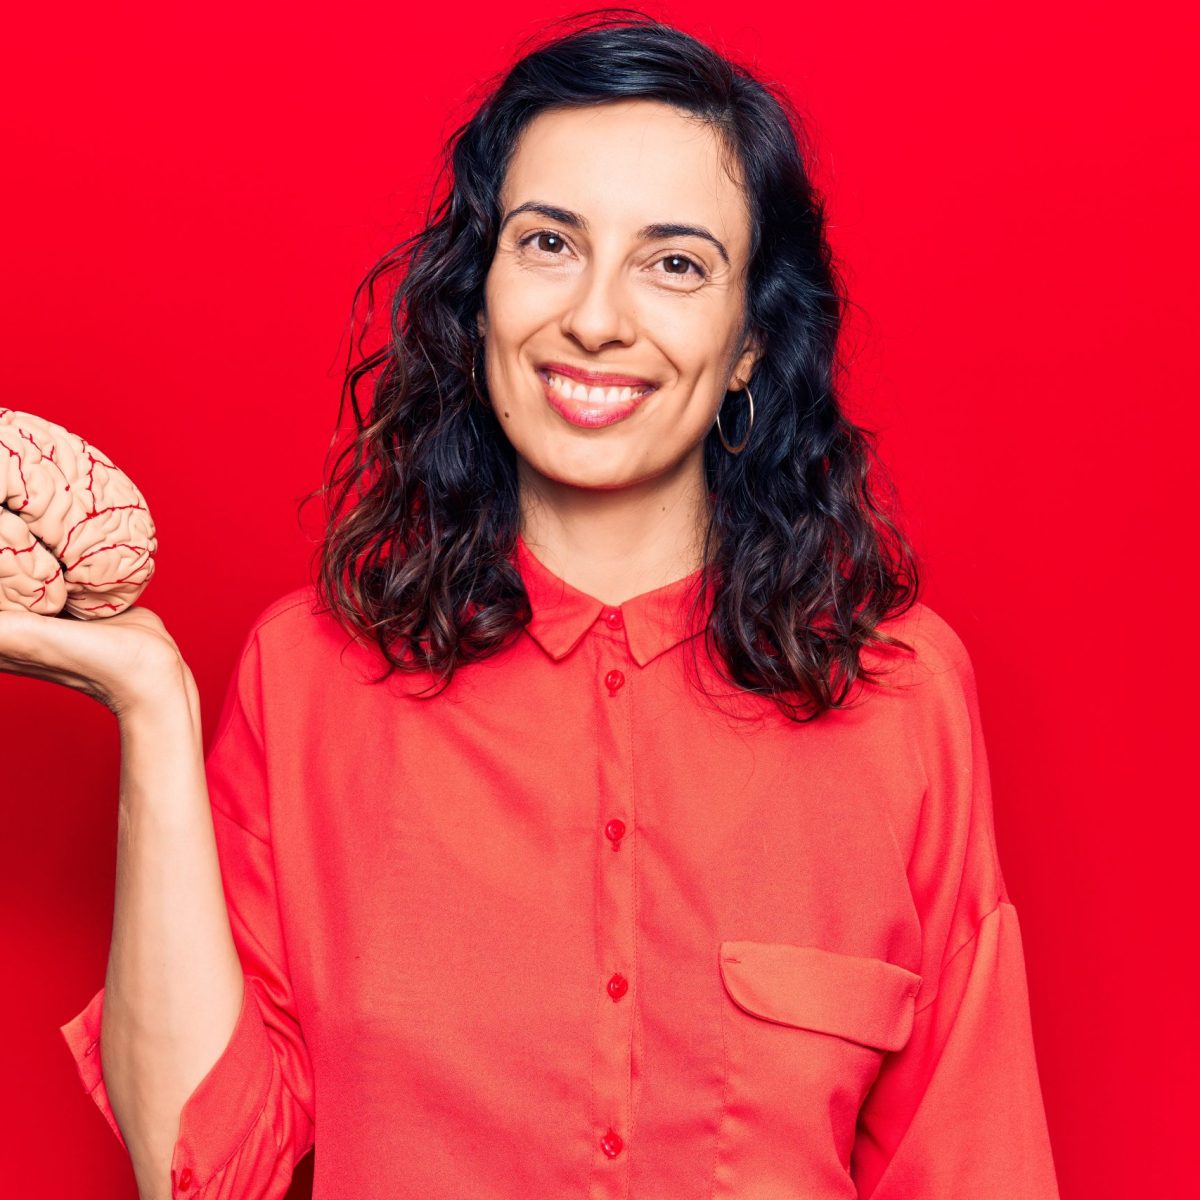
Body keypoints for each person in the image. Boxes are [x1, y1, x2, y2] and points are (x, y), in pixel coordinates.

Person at [1, 11, 1060, 1199]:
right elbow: (204, 1169)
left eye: (675, 263)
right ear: (480, 290)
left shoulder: (897, 693)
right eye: (549, 242)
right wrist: (147, 700)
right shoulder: (309, 676)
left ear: (754, 337)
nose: (596, 317)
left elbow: (972, 1161)